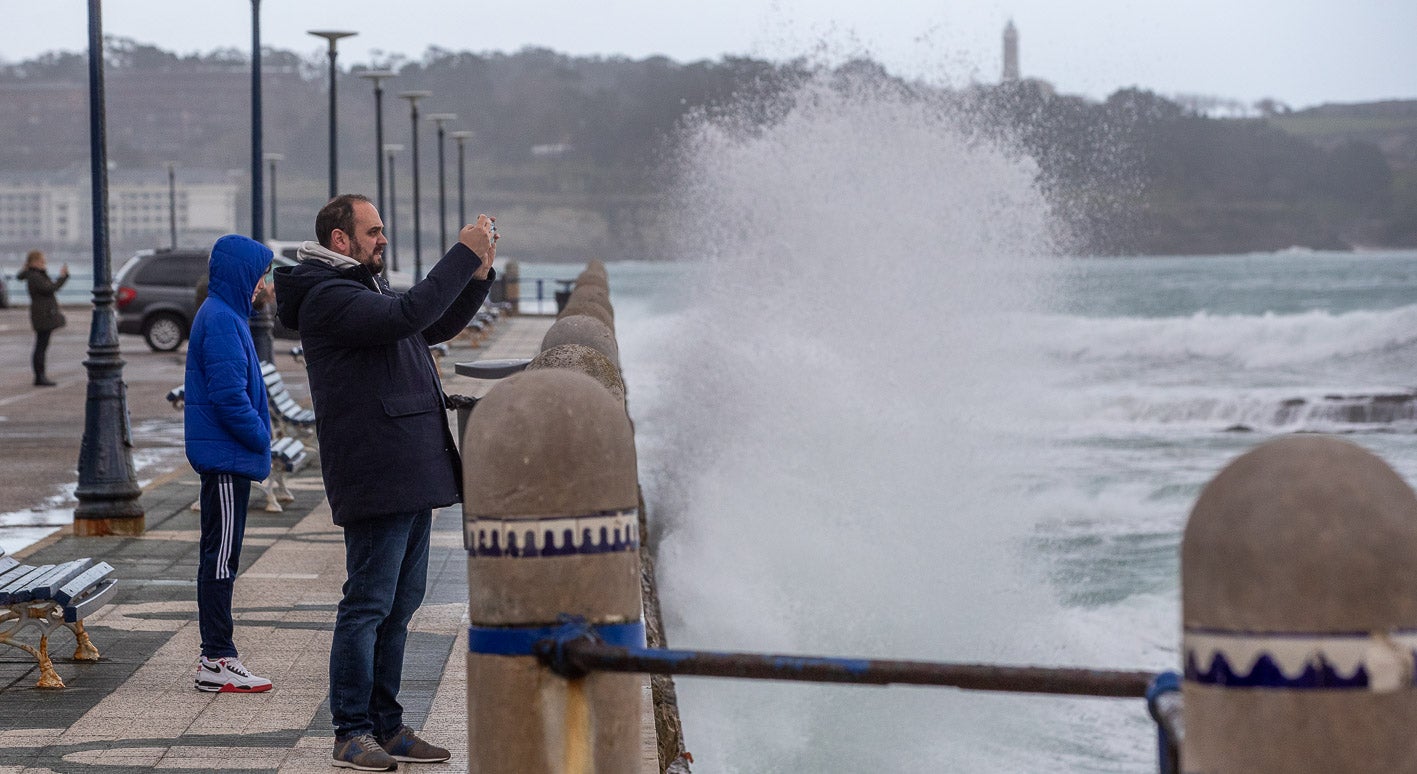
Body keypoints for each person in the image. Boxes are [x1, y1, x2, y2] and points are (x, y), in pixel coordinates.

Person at [273, 194, 497, 771]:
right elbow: (407, 316)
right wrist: (459, 252)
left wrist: (476, 274)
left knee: (401, 605)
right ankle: (351, 731)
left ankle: (389, 727)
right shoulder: (327, 297)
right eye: (373, 231)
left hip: (408, 466)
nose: (383, 239)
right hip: (376, 469)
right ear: (340, 239)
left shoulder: (361, 289)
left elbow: (431, 323)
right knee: (368, 604)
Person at [184, 234, 275, 694]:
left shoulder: (224, 314)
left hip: (228, 458)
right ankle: (217, 657)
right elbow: (228, 397)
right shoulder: (221, 318)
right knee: (221, 559)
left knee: (218, 556)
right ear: (243, 273)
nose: (263, 285)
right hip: (227, 459)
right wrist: (263, 439)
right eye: (260, 275)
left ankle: (217, 655)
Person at [15, 249, 69, 386]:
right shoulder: (35, 276)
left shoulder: (34, 275)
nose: (44, 264)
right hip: (43, 314)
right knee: (41, 346)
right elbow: (49, 288)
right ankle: (40, 376)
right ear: (34, 262)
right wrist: (63, 277)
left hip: (42, 313)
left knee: (41, 345)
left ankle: (40, 375)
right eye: (41, 261)